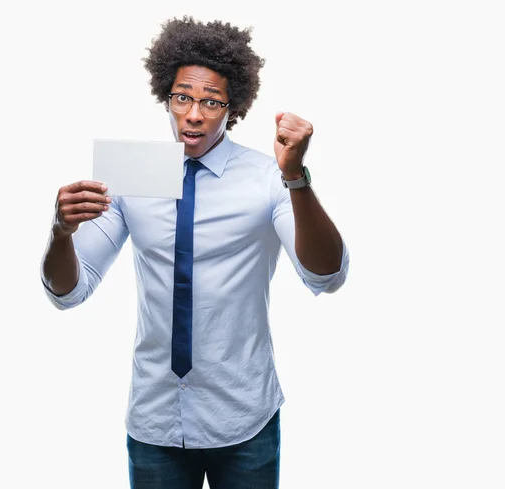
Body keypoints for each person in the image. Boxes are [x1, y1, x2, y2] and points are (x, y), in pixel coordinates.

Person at [41, 15, 349, 489]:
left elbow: (326, 274)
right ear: (166, 96)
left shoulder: (266, 177)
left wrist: (295, 178)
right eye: (183, 97)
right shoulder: (131, 173)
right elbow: (69, 290)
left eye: (211, 101)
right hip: (156, 419)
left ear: (234, 108)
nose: (195, 113)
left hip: (244, 416)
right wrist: (61, 232)